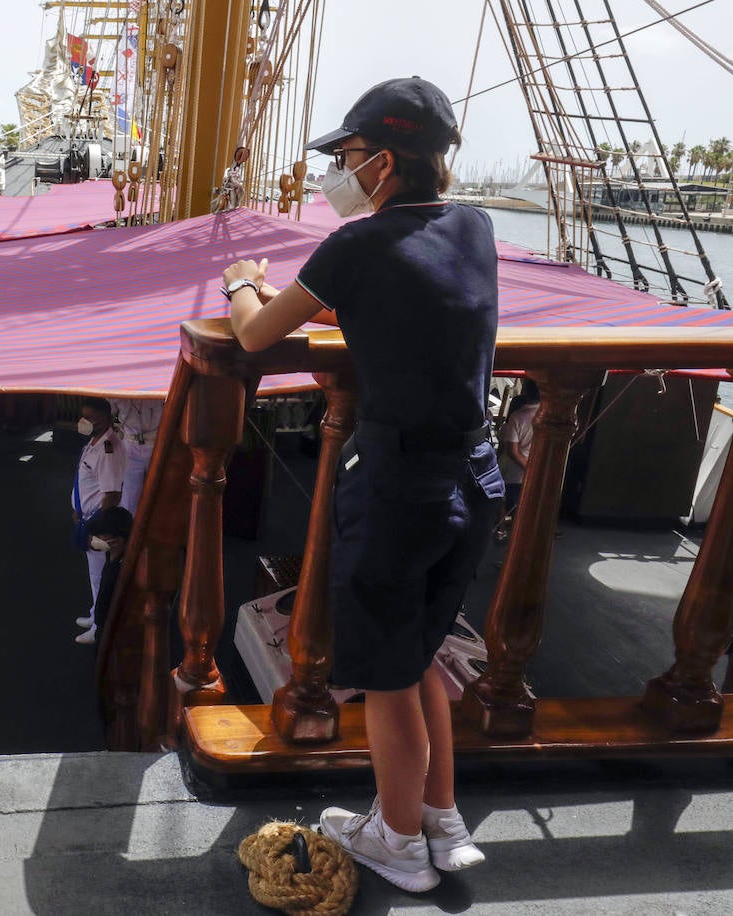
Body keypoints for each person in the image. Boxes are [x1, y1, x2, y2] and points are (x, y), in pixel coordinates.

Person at [222, 77, 503, 893]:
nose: (336, 171)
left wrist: (243, 277)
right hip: (474, 474)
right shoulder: (476, 228)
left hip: (399, 486)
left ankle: (399, 844)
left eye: (345, 157)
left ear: (382, 162)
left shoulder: (354, 248)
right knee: (420, 658)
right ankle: (439, 821)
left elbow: (255, 334)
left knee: (384, 673)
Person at [72, 397, 125, 645]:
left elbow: (112, 495)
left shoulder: (108, 450)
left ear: (103, 419)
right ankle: (95, 614)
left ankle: (99, 626)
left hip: (95, 521)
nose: (82, 422)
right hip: (86, 518)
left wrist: (97, 526)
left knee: (100, 576)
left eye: (88, 417)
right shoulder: (94, 442)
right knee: (94, 574)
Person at [84, 506, 133, 645]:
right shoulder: (110, 557)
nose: (94, 539)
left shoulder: (120, 573)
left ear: (117, 541)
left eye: (100, 535)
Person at [497, 377, 541, 533]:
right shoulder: (548, 416)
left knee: (507, 504)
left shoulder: (517, 417)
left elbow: (511, 450)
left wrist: (528, 468)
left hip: (514, 472)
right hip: (539, 470)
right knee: (527, 511)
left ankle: (502, 532)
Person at [111, 399, 163, 515]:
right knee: (130, 495)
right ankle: (129, 528)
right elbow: (107, 411)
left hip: (157, 446)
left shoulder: (158, 392)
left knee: (159, 490)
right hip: (130, 447)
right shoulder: (119, 394)